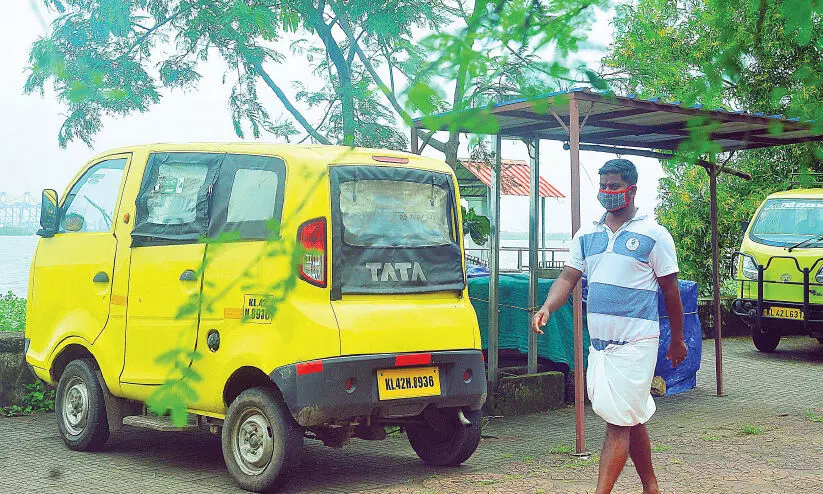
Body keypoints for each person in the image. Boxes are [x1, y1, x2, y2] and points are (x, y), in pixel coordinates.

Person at [531, 158, 688, 494]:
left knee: (618, 422)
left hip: (637, 344)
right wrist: (546, 307)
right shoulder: (587, 234)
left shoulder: (655, 235)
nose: (607, 192)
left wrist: (677, 340)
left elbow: (671, 291)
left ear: (631, 189)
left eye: (614, 186)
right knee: (629, 416)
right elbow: (568, 276)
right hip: (600, 347)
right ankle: (651, 486)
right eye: (602, 186)